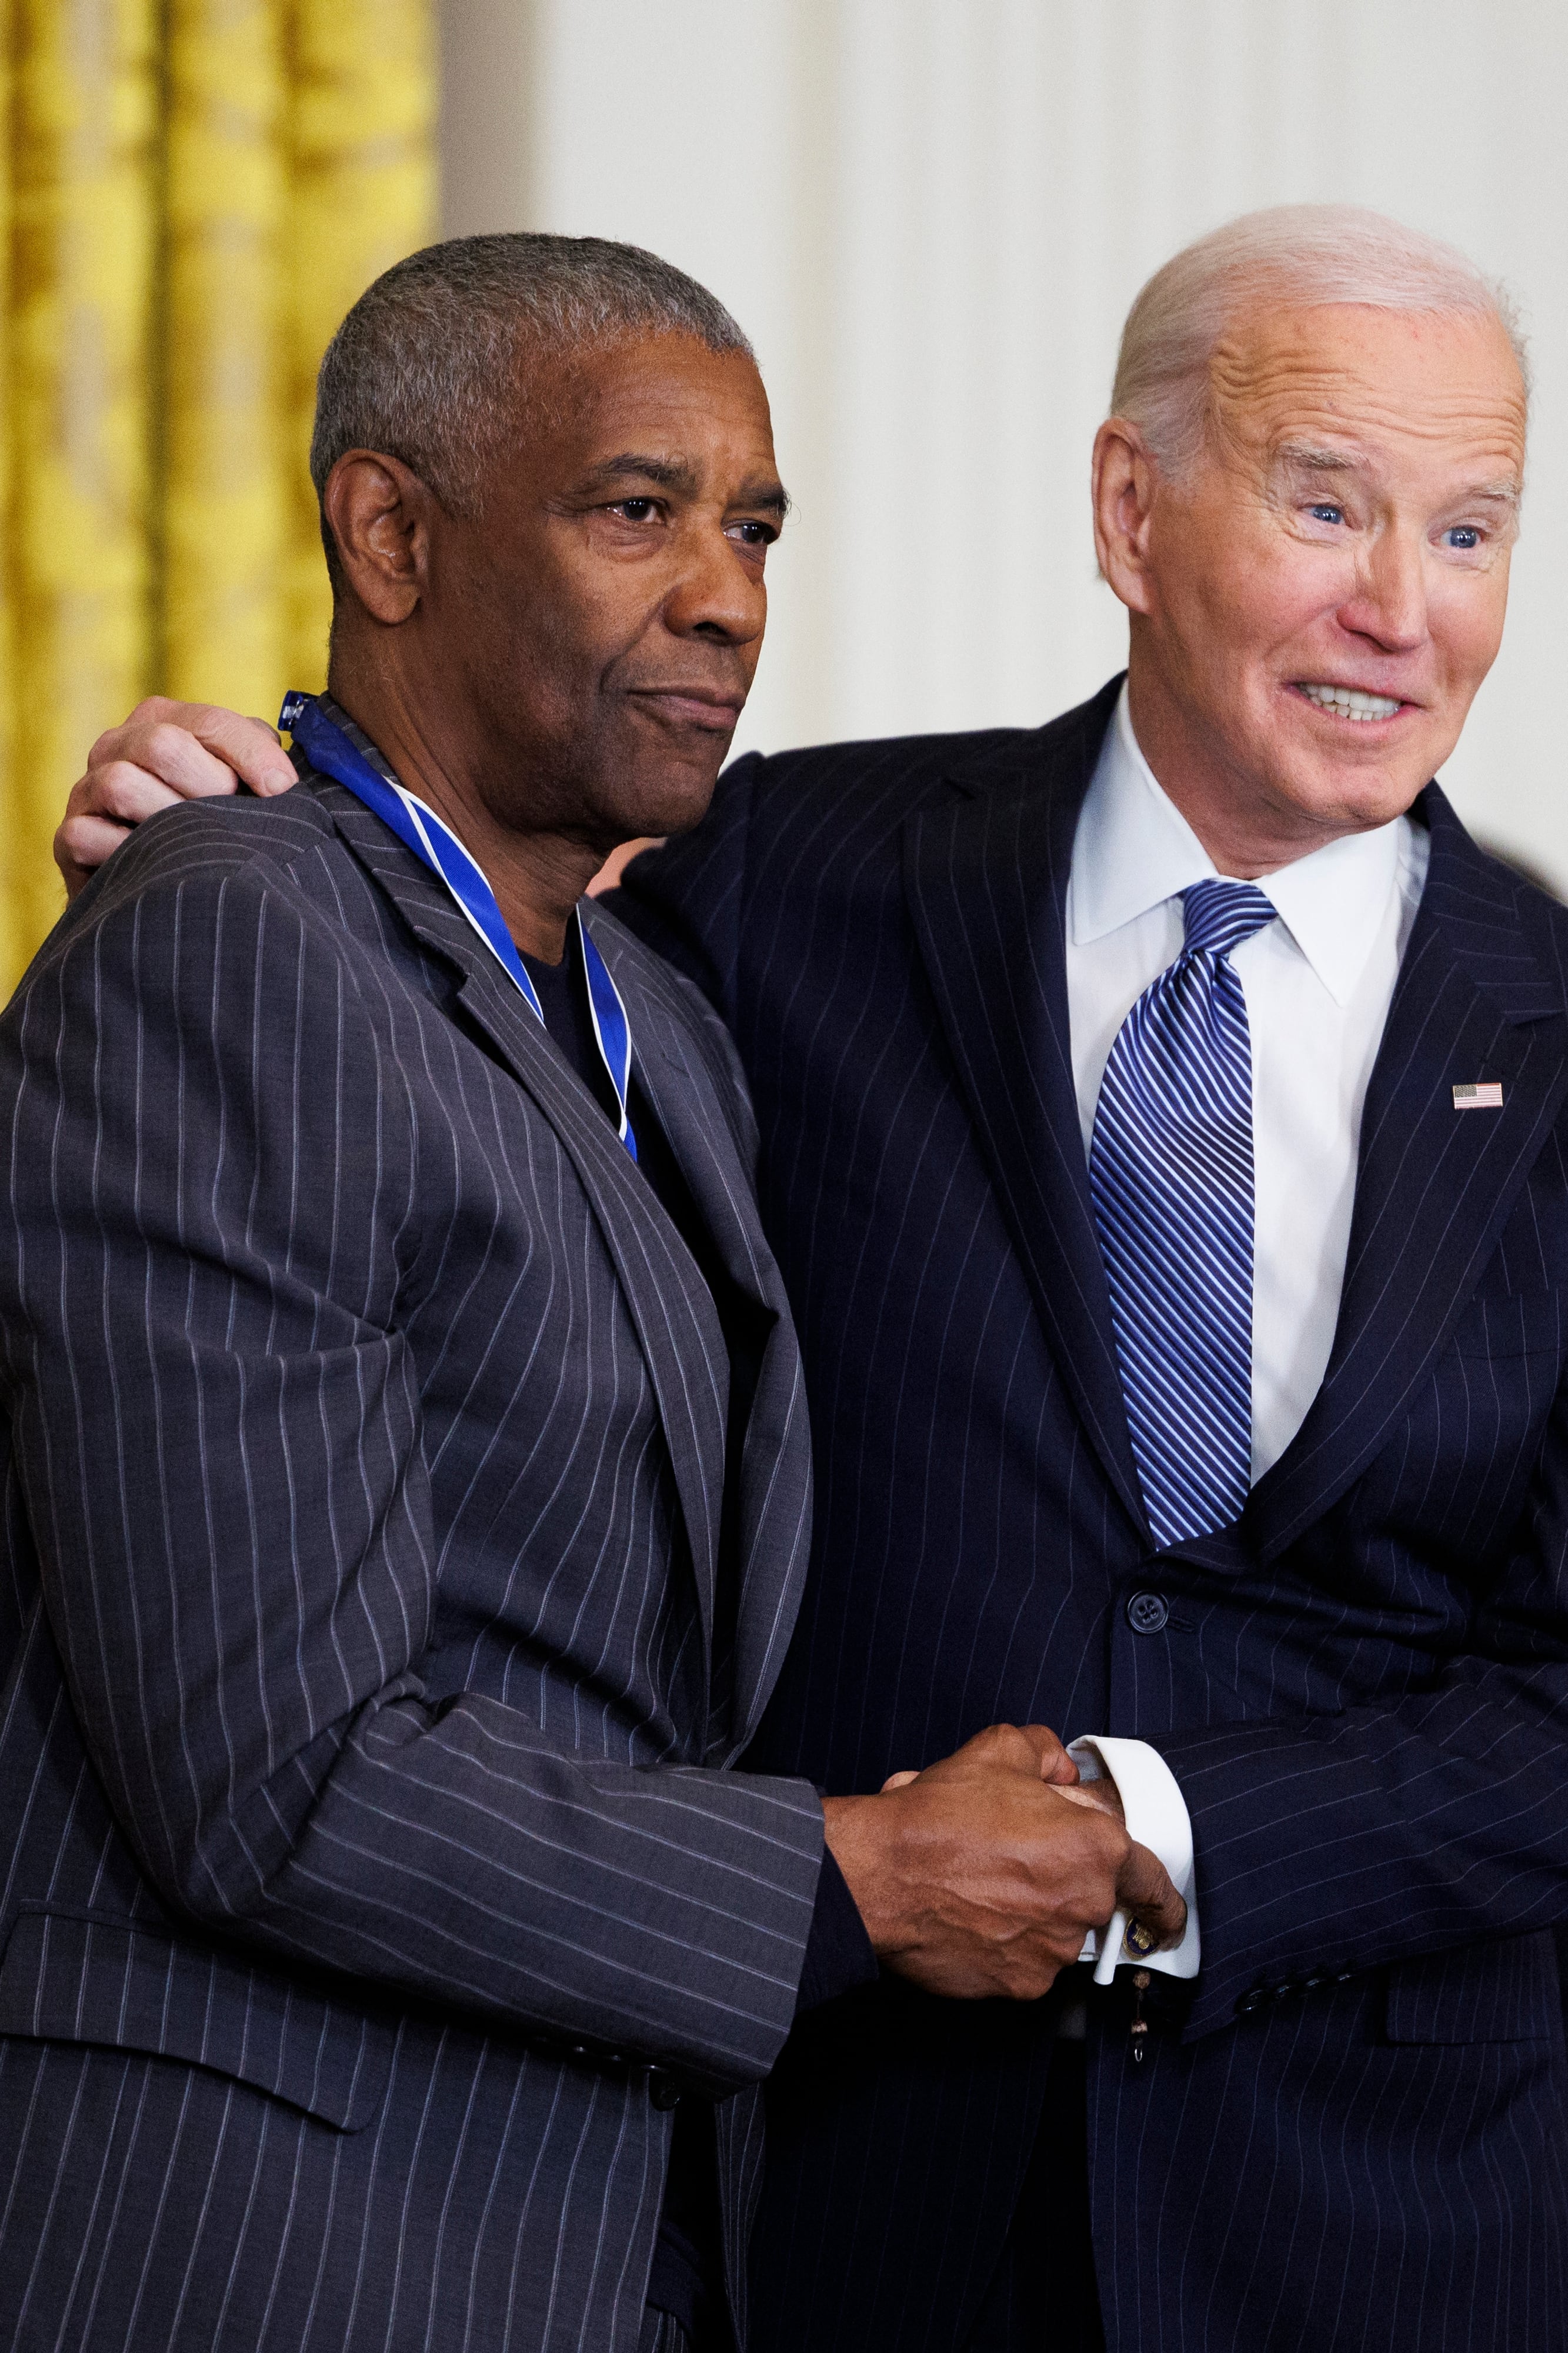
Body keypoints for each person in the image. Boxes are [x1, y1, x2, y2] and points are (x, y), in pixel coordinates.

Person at [52, 201, 1568, 2351]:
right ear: (1130, 514)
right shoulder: (774, 877)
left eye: (1470, 531)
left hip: (1379, 2221)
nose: (1399, 610)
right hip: (826, 2192)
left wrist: (1157, 1830)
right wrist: (234, 804)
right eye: (1326, 507)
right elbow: (433, 960)